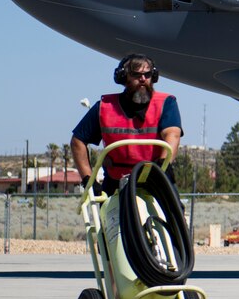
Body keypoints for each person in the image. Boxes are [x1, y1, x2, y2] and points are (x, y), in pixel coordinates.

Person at [71, 54, 183, 194]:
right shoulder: (104, 107)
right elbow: (78, 141)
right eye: (136, 75)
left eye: (147, 74)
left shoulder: (166, 103)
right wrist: (89, 180)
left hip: (155, 177)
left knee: (175, 214)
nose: (143, 79)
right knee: (107, 213)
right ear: (123, 78)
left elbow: (172, 134)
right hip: (115, 181)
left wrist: (162, 165)